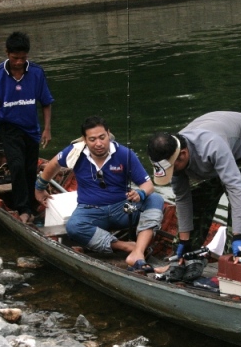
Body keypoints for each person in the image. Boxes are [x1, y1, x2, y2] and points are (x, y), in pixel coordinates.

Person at [35, 116, 164, 272]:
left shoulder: (124, 154)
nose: (99, 143)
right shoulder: (75, 152)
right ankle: (125, 246)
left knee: (155, 199)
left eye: (102, 137)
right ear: (85, 140)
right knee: (74, 226)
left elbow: (148, 185)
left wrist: (140, 194)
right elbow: (53, 164)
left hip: (122, 210)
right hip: (90, 211)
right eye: (93, 139)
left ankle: (138, 252)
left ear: (108, 134)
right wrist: (40, 187)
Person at [147, 111, 241, 263]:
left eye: (173, 168)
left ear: (183, 154)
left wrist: (238, 236)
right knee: (198, 199)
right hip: (219, 145)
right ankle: (186, 257)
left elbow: (235, 188)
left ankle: (236, 256)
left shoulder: (212, 147)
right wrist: (184, 240)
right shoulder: (171, 153)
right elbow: (183, 199)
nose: (173, 173)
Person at [0, 31, 55, 224]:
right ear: (7, 53)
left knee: (30, 168)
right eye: (15, 58)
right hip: (9, 129)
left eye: (23, 58)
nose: (19, 62)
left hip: (31, 129)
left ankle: (31, 203)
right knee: (16, 166)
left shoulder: (37, 73)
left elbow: (46, 102)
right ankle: (22, 208)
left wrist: (47, 129)